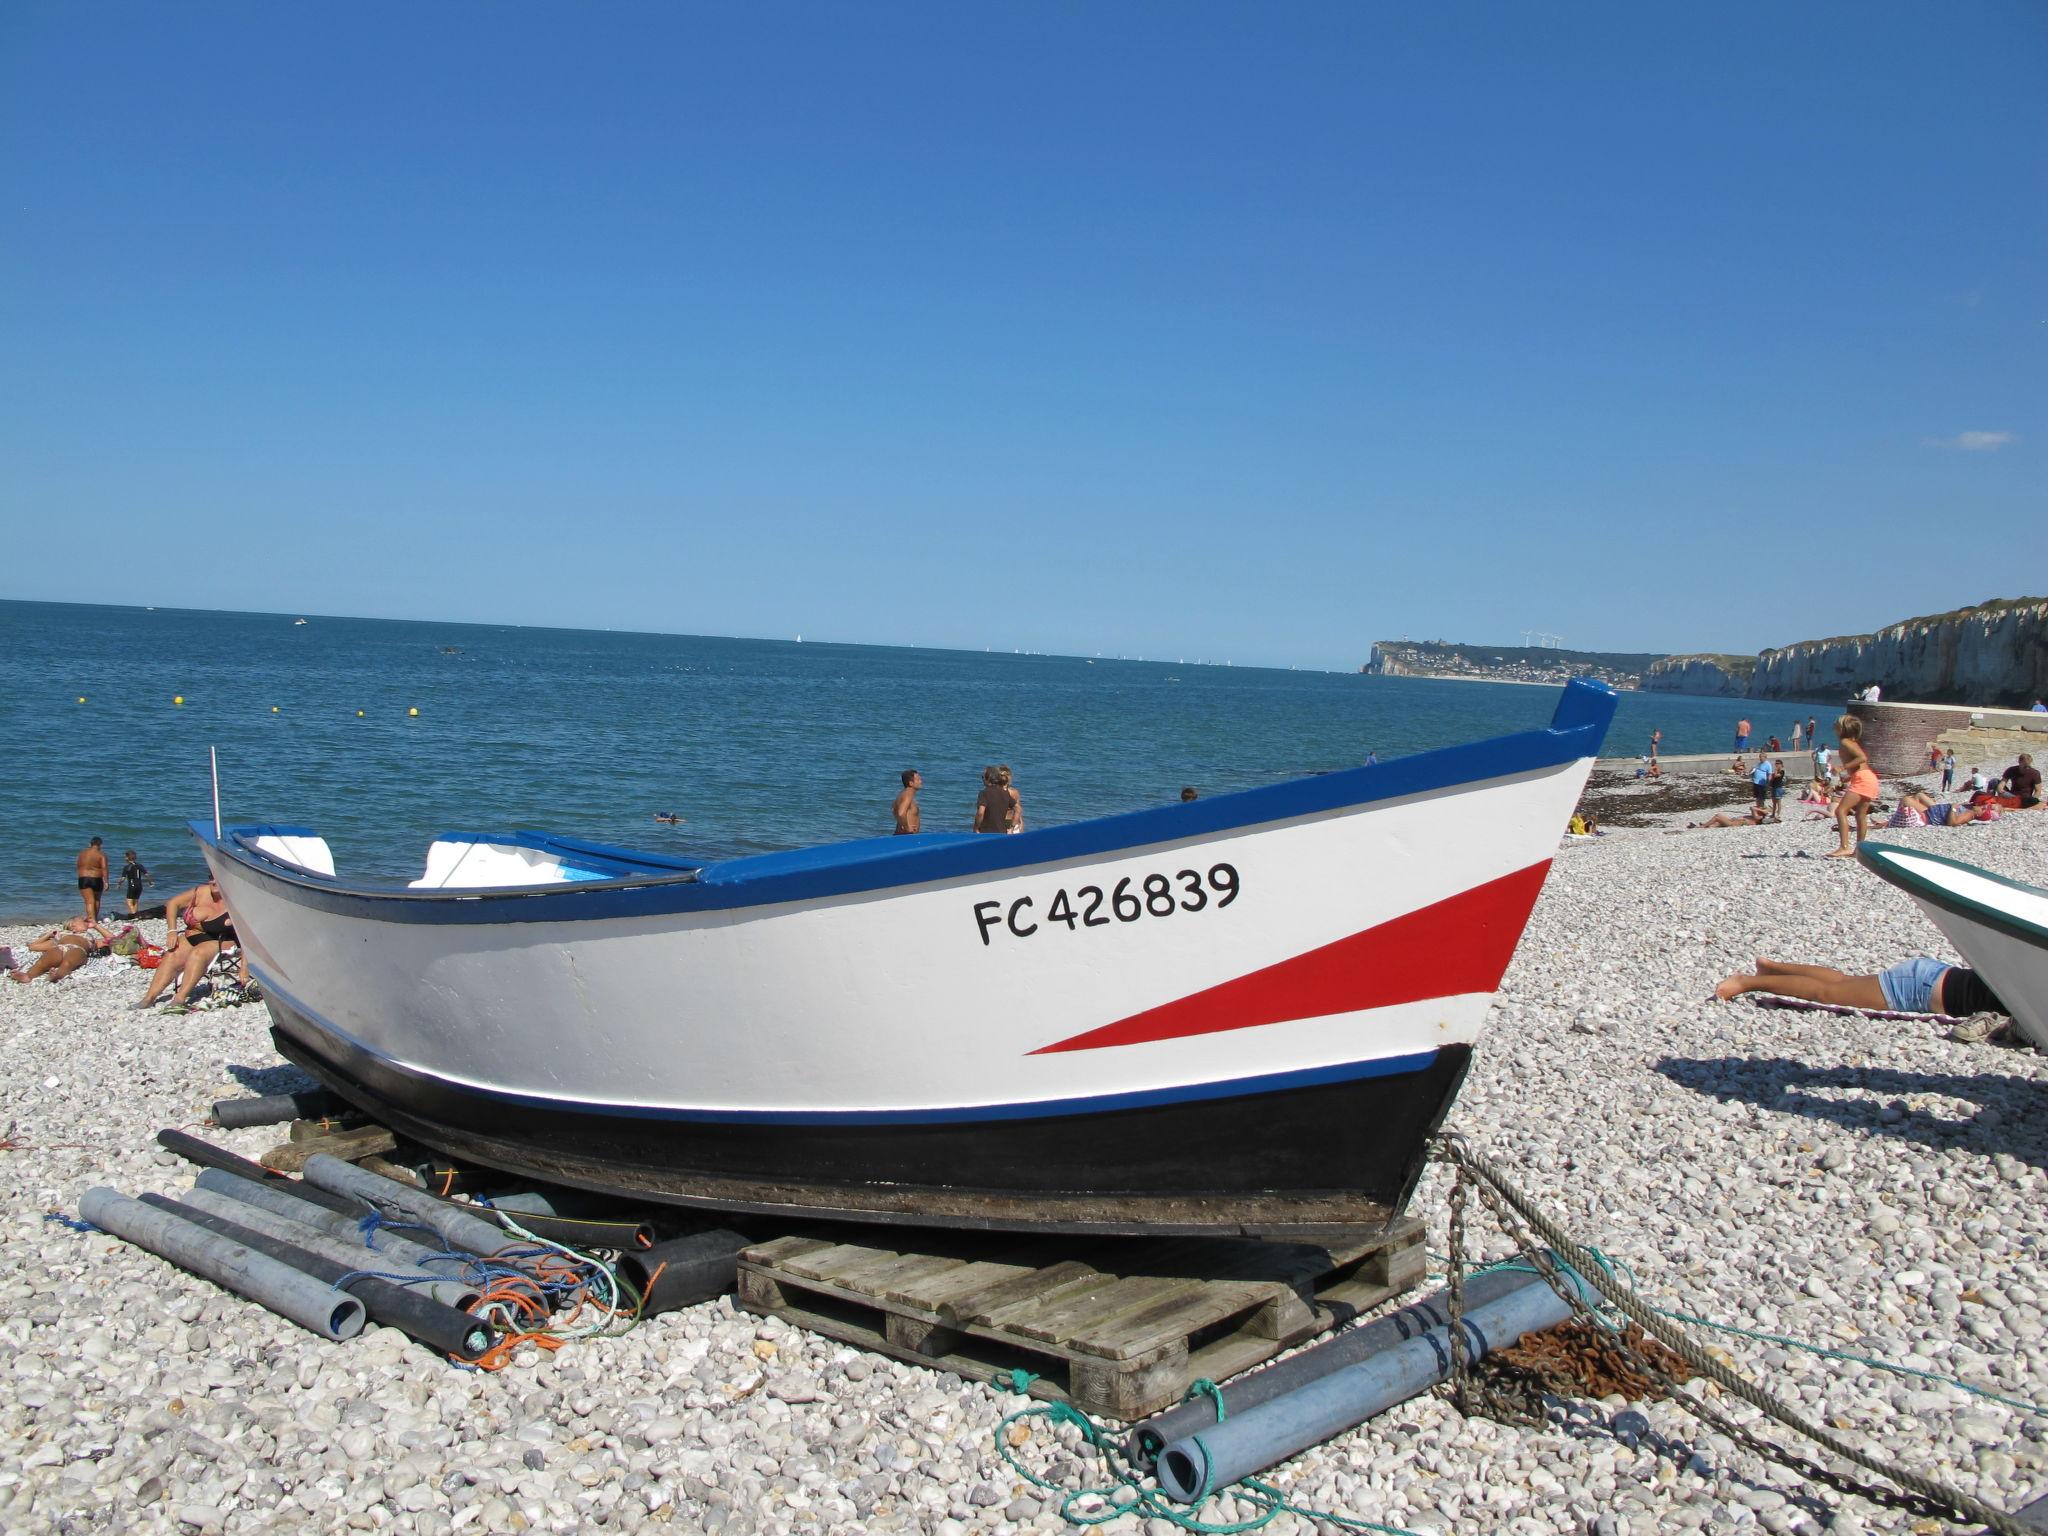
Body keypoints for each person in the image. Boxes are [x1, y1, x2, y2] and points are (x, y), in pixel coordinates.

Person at [1714, 956, 2005, 1019]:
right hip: (1920, 990)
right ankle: (1747, 982)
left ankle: (1773, 969)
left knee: (1843, 982)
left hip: (1936, 976)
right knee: (1828, 994)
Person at [137, 880, 239, 1011]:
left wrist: (245, 969)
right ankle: (149, 998)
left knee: (198, 953)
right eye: (210, 876)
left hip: (223, 939)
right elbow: (173, 903)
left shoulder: (236, 899)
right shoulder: (201, 892)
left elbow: (250, 933)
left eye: (217, 877)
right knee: (173, 953)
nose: (212, 881)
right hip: (194, 936)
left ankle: (180, 998)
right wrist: (172, 931)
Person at [1828, 713, 1880, 857]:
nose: (1833, 727)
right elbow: (1861, 764)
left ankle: (1844, 847)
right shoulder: (1852, 742)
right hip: (1868, 778)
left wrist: (1841, 768)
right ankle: (1859, 850)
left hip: (1863, 780)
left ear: (1841, 728)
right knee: (1860, 815)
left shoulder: (1845, 742)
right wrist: (1848, 778)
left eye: (1835, 725)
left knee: (1840, 811)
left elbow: (1862, 758)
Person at [7, 918, 118, 984]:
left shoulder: (90, 938)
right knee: (43, 961)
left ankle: (57, 975)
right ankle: (28, 976)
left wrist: (96, 926)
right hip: (60, 947)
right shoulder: (62, 935)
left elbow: (114, 940)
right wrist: (48, 935)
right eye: (82, 920)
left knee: (68, 962)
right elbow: (32, 946)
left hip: (78, 949)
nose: (86, 921)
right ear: (72, 926)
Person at [1889, 790, 1994, 828]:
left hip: (1929, 815)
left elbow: (1952, 822)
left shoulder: (1969, 814)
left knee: (1906, 800)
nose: (1982, 806)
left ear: (1979, 814)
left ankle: (1894, 820)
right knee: (1919, 795)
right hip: (1934, 810)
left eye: (1983, 809)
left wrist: (1953, 808)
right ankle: (1899, 817)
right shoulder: (1970, 810)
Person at [973, 766, 1021, 835]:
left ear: (988, 778)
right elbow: (1018, 809)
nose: (982, 780)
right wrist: (1011, 828)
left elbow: (980, 812)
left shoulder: (984, 793)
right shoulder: (1005, 793)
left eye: (983, 777)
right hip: (1002, 833)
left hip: (986, 833)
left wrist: (976, 828)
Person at [76, 837, 107, 923]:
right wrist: (106, 882)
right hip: (97, 879)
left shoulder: (81, 854)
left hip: (84, 878)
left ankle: (91, 919)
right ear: (100, 845)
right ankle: (94, 919)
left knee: (89, 901)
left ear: (90, 844)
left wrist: (81, 877)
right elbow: (104, 868)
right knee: (96, 899)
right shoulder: (101, 855)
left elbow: (78, 866)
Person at [120, 850, 150, 916]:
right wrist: (150, 882)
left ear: (127, 858)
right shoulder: (139, 865)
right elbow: (146, 874)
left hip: (132, 885)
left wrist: (119, 884)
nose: (124, 858)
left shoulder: (127, 867)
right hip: (139, 886)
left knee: (129, 902)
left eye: (125, 857)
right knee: (135, 901)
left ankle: (134, 915)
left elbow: (123, 878)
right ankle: (136, 914)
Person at [893, 769, 923, 834]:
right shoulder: (908, 795)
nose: (921, 781)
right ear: (911, 783)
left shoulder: (901, 794)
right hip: (907, 836)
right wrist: (907, 828)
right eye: (918, 780)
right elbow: (900, 813)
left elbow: (893, 810)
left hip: (902, 835)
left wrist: (901, 824)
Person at [1691, 807, 1766, 829]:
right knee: (1713, 825)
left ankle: (1701, 826)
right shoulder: (1755, 818)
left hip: (1732, 824)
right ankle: (1704, 825)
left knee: (1718, 816)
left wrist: (1762, 810)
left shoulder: (1757, 818)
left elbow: (1752, 808)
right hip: (1731, 821)